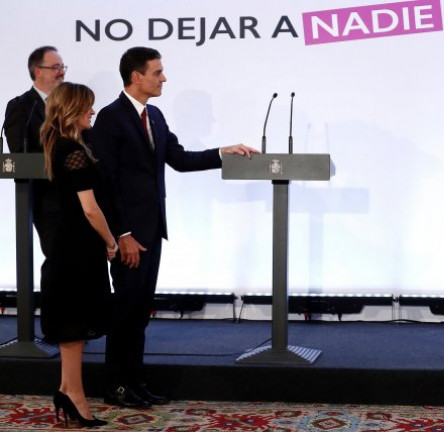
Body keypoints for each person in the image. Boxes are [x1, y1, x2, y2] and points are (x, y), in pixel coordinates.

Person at [90, 46, 259, 409]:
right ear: (136, 77)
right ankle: (116, 386)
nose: (163, 78)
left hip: (152, 231)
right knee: (126, 311)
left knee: (139, 312)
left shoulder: (156, 116)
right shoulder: (110, 117)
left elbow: (179, 160)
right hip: (129, 235)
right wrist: (122, 235)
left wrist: (221, 153)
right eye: (157, 72)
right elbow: (106, 183)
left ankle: (134, 381)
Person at [40, 82, 117, 427]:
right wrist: (111, 240)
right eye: (87, 106)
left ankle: (67, 390)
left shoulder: (65, 144)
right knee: (74, 327)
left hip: (71, 248)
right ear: (71, 108)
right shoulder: (71, 148)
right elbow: (90, 209)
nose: (92, 111)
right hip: (76, 249)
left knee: (74, 327)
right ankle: (75, 396)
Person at [3, 46, 66, 293]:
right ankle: (53, 328)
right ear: (38, 71)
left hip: (76, 196)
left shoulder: (66, 103)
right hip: (46, 199)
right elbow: (19, 152)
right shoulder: (22, 107)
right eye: (56, 67)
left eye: (62, 67)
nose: (61, 72)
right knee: (57, 262)